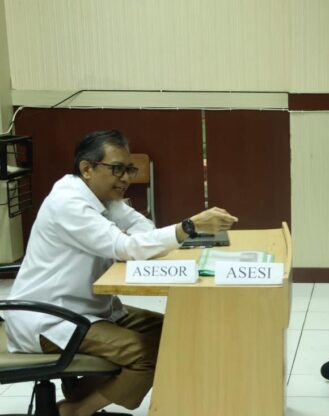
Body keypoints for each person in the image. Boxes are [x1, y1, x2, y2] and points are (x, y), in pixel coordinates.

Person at [3, 130, 238, 416]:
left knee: (178, 333)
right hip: (51, 318)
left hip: (90, 309)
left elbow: (144, 230)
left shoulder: (103, 198)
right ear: (87, 169)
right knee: (147, 353)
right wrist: (188, 227)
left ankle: (79, 392)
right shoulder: (69, 204)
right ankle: (76, 410)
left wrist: (132, 243)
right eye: (117, 169)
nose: (126, 178)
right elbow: (126, 247)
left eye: (129, 169)